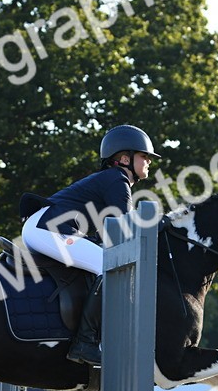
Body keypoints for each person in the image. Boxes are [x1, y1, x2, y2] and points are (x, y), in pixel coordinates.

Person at [21, 124, 160, 366]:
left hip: (44, 227)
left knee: (102, 259)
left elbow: (109, 234)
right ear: (125, 159)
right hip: (48, 229)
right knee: (108, 267)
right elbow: (125, 229)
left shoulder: (109, 179)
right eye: (144, 156)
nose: (148, 161)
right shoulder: (118, 179)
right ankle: (84, 343)